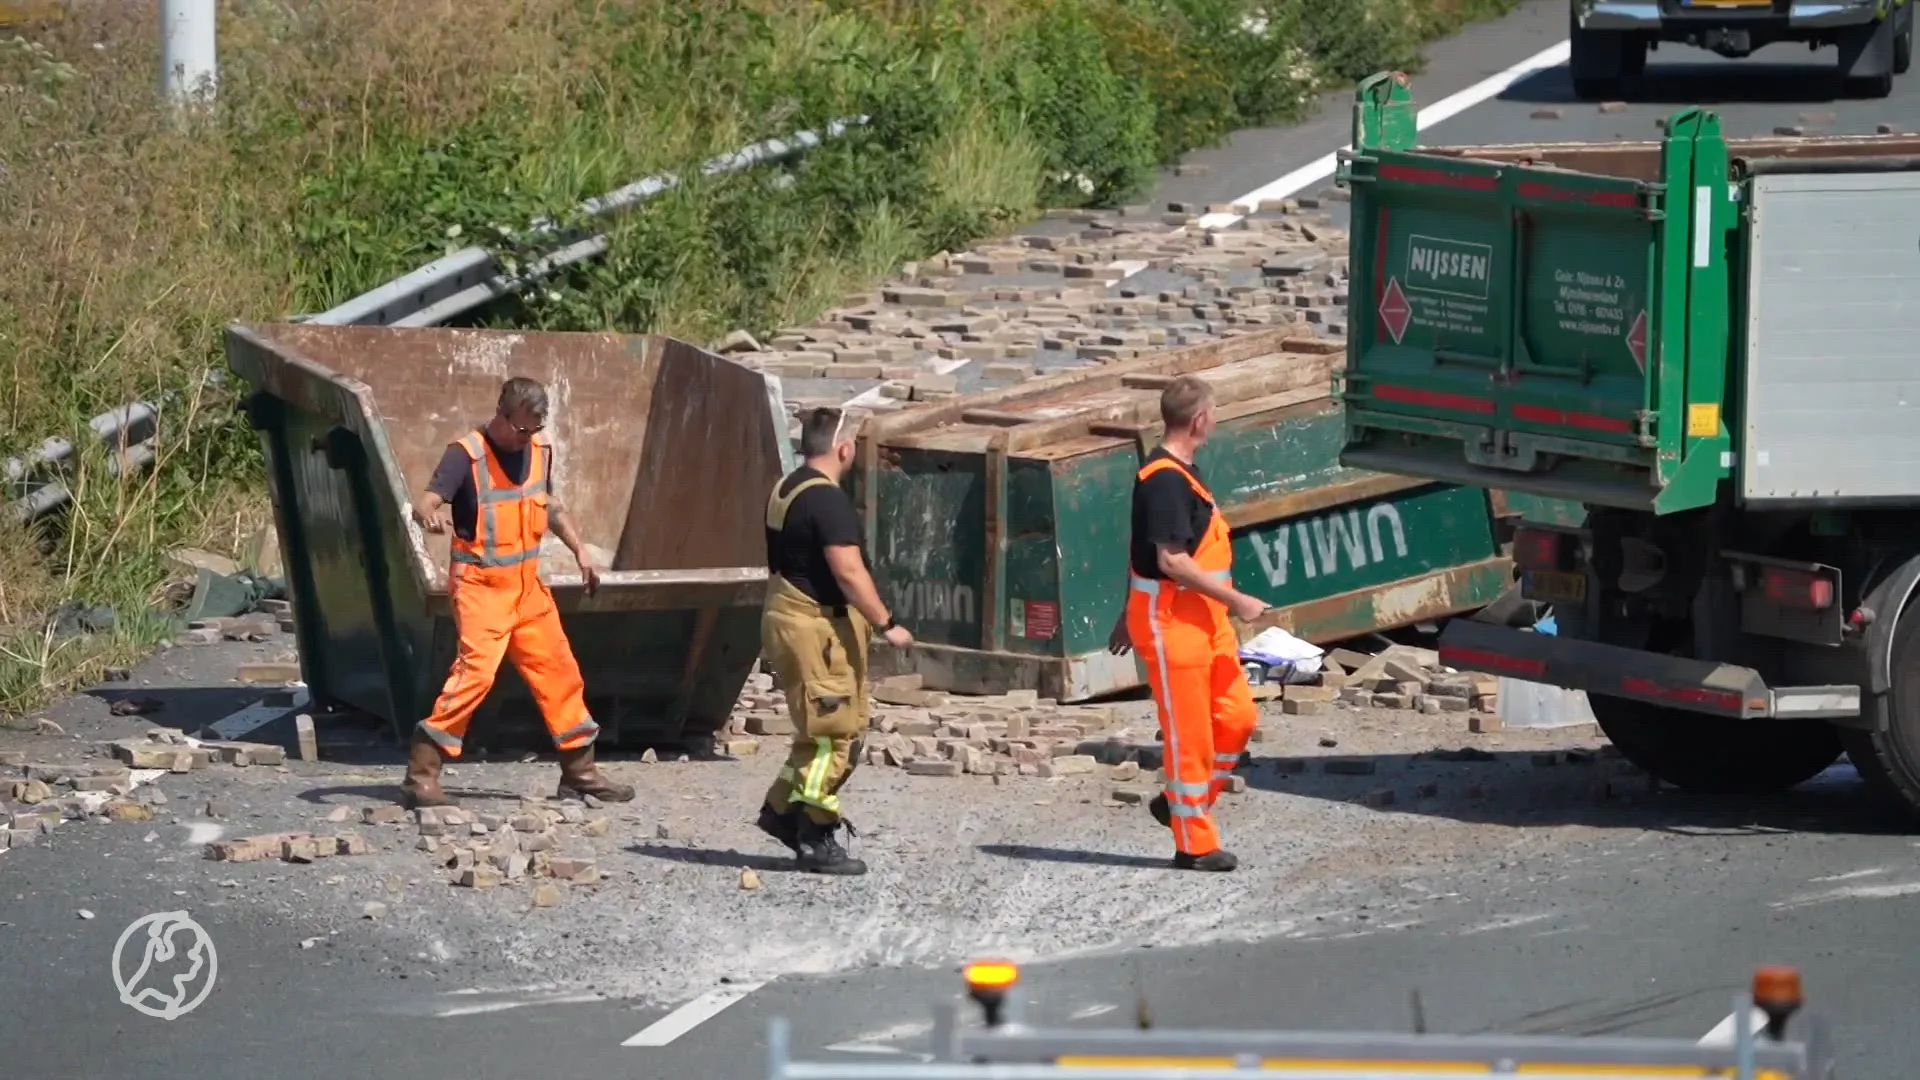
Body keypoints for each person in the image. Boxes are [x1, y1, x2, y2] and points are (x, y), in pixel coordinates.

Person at [400, 376, 635, 809]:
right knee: (475, 676)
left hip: (527, 586)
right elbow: (426, 502)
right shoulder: (465, 455)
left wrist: (581, 550)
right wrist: (429, 517)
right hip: (481, 586)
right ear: (501, 415)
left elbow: (550, 504)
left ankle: (579, 772)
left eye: (534, 429)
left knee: (560, 671)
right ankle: (422, 772)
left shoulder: (540, 450)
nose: (527, 437)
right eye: (521, 428)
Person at [1107, 375, 1265, 871]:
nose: (1216, 419)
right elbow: (1170, 561)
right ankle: (1194, 845)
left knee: (1238, 719)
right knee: (1190, 736)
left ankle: (1177, 805)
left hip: (1204, 620)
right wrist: (1238, 599)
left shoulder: (1182, 473)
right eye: (1214, 412)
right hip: (1174, 624)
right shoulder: (1166, 481)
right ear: (1199, 420)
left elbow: (1144, 555)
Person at [756, 406, 913, 875]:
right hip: (816, 628)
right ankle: (816, 835)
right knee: (834, 737)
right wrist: (887, 623)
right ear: (843, 448)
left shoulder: (787, 487)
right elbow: (848, 570)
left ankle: (781, 811)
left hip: (787, 617)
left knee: (814, 733)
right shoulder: (828, 500)